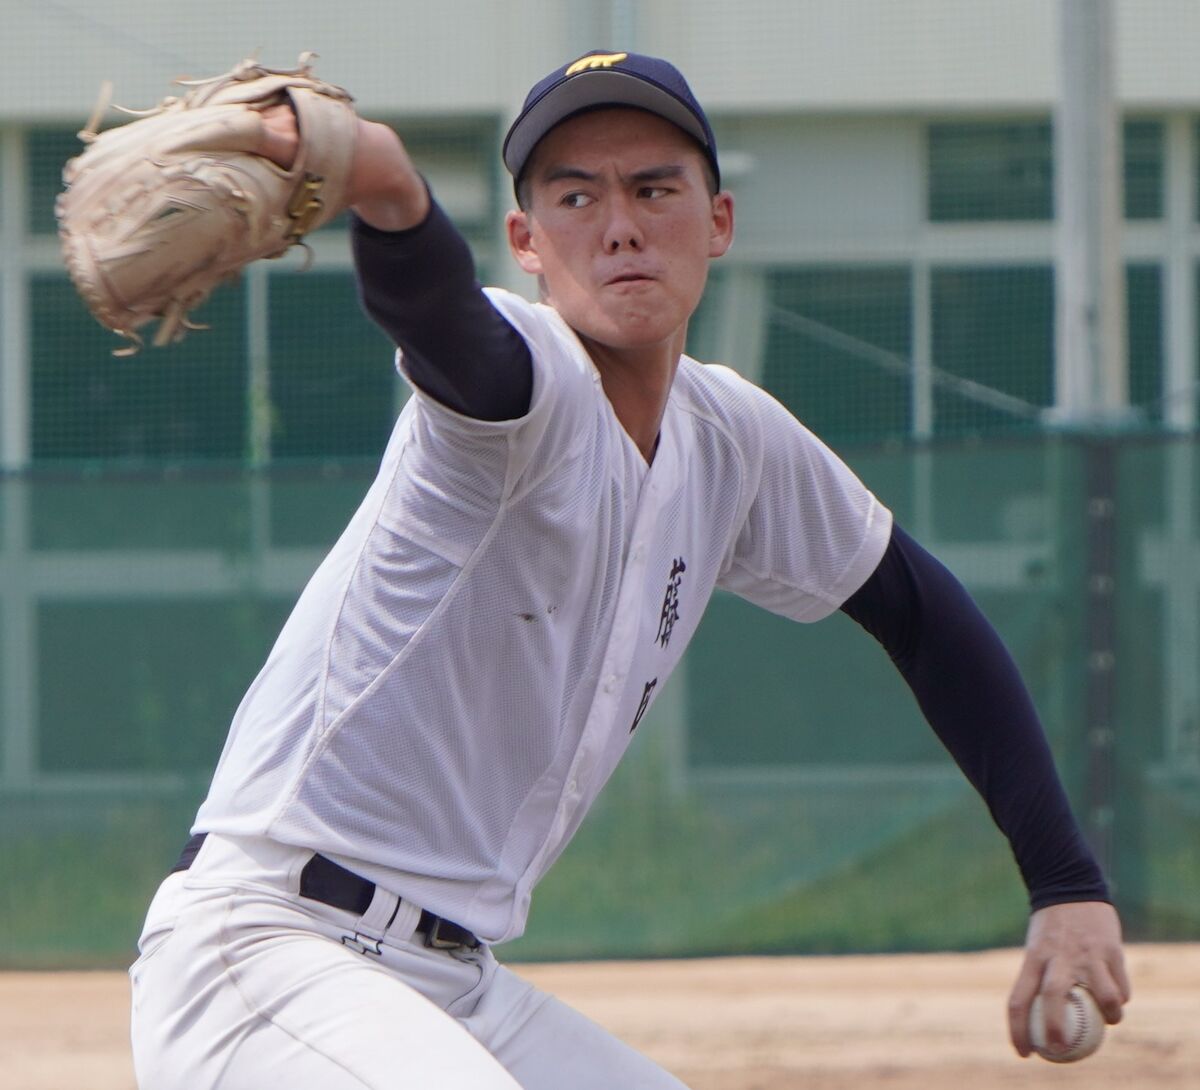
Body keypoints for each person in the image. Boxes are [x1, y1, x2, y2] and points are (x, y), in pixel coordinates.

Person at [128, 50, 1130, 1089]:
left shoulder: (730, 437)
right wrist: (383, 182)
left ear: (720, 222)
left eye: (655, 189)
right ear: (525, 243)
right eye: (575, 196)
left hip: (450, 983)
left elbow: (924, 616)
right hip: (269, 950)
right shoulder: (526, 381)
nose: (620, 225)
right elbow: (441, 323)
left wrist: (1065, 879)